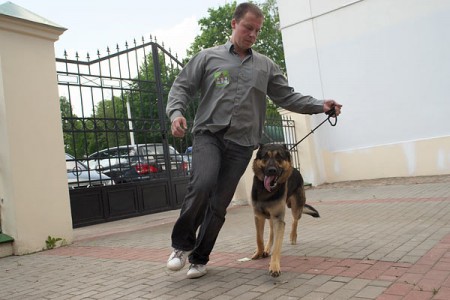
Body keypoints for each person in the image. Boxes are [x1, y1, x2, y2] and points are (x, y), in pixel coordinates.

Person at [165, 2, 342, 279]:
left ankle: (199, 258)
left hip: (242, 144)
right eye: (248, 27)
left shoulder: (265, 66)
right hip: (209, 135)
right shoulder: (207, 57)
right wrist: (176, 113)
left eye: (257, 31)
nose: (252, 34)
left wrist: (320, 105)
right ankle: (181, 246)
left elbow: (287, 96)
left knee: (220, 203)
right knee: (202, 184)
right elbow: (182, 86)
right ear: (234, 24)